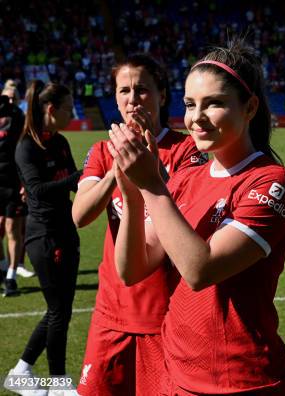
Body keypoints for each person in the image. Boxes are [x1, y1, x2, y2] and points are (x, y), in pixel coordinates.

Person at [107, 39, 285, 395]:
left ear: (251, 107)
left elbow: (200, 270)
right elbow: (131, 269)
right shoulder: (185, 179)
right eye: (190, 104)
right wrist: (134, 197)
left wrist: (152, 186)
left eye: (214, 104)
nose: (196, 118)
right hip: (177, 370)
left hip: (241, 380)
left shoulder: (271, 181)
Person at [72, 53, 206, 395]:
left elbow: (183, 212)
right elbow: (80, 215)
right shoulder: (104, 150)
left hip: (164, 314)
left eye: (142, 90)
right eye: (124, 91)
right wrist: (116, 174)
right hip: (111, 313)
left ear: (162, 95)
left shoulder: (186, 150)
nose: (133, 100)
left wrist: (147, 172)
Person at [5, 80, 81, 394]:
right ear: (51, 109)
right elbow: (36, 191)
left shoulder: (61, 142)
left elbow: (78, 181)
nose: (72, 112)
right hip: (45, 237)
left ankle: (21, 371)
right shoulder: (26, 146)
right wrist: (82, 176)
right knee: (59, 312)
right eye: (68, 107)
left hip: (66, 230)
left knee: (58, 310)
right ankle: (58, 385)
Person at [0, 92, 30, 297]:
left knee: (12, 228)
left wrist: (24, 182)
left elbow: (24, 148)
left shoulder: (17, 116)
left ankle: (11, 276)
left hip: (12, 182)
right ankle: (2, 268)